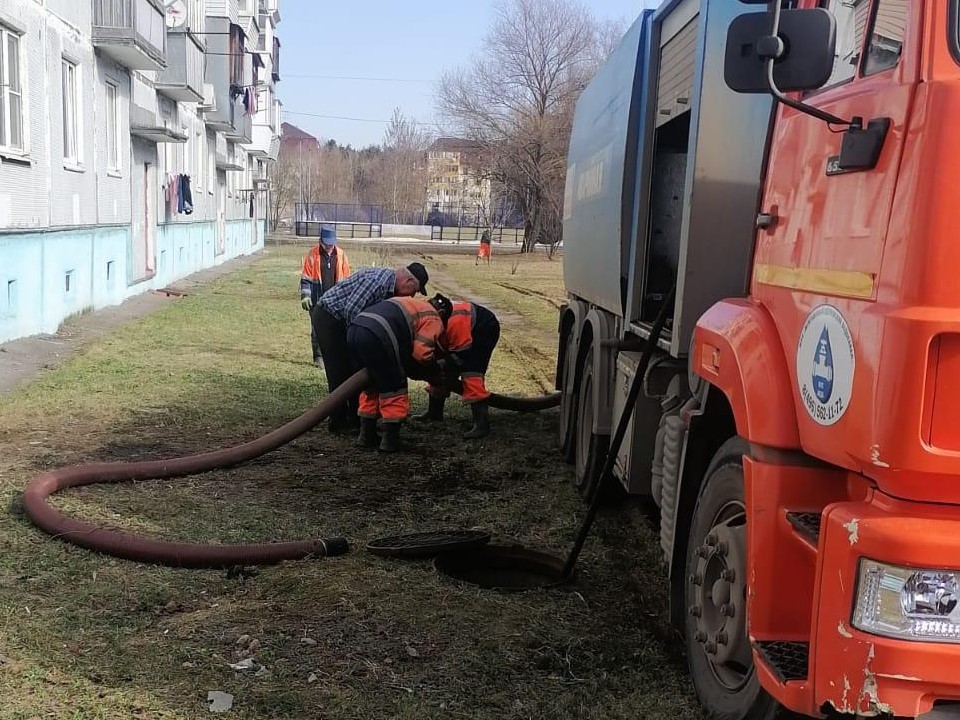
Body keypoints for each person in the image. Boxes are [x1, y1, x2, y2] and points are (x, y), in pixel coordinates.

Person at [311, 262, 429, 433]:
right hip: (330, 317)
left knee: (354, 368)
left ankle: (355, 417)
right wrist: (358, 344)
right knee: (339, 371)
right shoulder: (377, 283)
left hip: (345, 320)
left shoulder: (389, 289)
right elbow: (351, 311)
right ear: (408, 281)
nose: (412, 296)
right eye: (415, 290)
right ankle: (337, 422)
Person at [348, 294, 453, 452]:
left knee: (372, 385)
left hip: (355, 328)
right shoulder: (433, 316)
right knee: (394, 385)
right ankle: (390, 441)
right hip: (380, 333)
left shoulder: (411, 303)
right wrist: (434, 370)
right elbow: (421, 353)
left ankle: (366, 435)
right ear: (442, 312)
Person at [419, 300, 500, 439]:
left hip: (482, 329)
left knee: (471, 373)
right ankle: (434, 413)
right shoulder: (425, 316)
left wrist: (446, 365)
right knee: (438, 365)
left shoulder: (456, 322)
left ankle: (481, 425)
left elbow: (462, 353)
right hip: (454, 329)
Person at [300, 226, 350, 366]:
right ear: (320, 241)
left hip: (336, 300)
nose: (329, 246)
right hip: (317, 300)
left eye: (331, 243)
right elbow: (306, 278)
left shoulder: (341, 255)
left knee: (336, 329)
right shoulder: (313, 254)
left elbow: (346, 279)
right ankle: (318, 357)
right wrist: (305, 296)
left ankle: (333, 357)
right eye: (326, 243)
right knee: (317, 329)